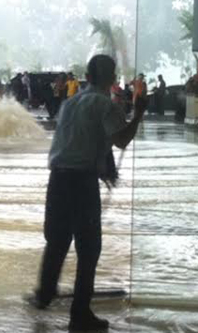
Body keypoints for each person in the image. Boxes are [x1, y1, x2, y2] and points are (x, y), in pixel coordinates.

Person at [28, 54, 146, 332]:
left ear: (88, 76)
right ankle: (80, 314)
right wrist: (139, 113)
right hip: (81, 184)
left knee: (56, 241)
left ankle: (44, 295)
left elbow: (79, 139)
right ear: (110, 77)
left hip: (57, 180)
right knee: (89, 249)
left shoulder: (71, 103)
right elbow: (121, 139)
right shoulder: (106, 104)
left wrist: (102, 164)